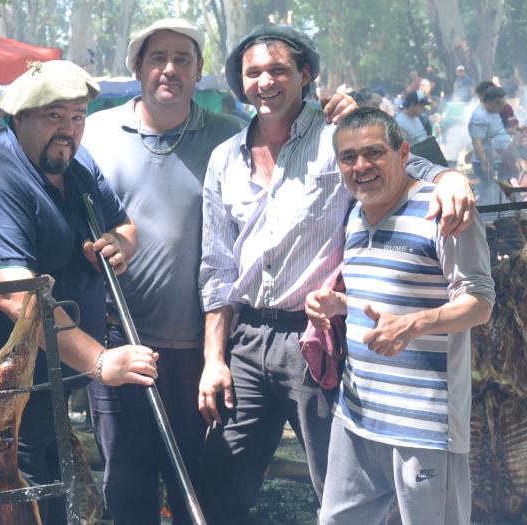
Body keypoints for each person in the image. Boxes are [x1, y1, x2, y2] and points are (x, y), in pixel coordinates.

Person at [197, 25, 474, 524]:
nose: (265, 82)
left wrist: (451, 176)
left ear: (305, 75)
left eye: (279, 70)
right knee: (220, 476)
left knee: (344, 487)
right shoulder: (224, 160)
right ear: (240, 83)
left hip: (318, 337)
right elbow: (216, 266)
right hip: (246, 338)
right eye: (253, 72)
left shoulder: (336, 140)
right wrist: (213, 358)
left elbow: (407, 165)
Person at [0, 60, 159, 525]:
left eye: (77, 116)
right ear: (20, 118)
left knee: (55, 503)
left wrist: (121, 243)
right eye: (54, 116)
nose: (69, 129)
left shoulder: (75, 163)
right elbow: (14, 296)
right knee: (13, 506)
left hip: (48, 380)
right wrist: (100, 361)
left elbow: (123, 225)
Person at [80, 18, 246, 524]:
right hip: (119, 341)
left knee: (201, 480)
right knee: (127, 482)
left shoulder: (230, 136)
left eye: (183, 59)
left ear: (199, 72)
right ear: (137, 68)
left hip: (203, 346)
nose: (169, 69)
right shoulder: (95, 132)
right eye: (158, 58)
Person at [308, 107, 494, 525]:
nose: (361, 166)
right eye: (349, 157)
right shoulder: (355, 215)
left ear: (404, 152)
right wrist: (337, 305)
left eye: (374, 152)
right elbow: (382, 298)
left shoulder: (444, 211)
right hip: (356, 415)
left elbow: (480, 302)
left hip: (424, 425)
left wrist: (414, 324)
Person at [468, 85, 511, 209]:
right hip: (487, 162)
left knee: (498, 193)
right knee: (488, 195)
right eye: (498, 103)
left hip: (498, 159)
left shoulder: (493, 111)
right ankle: (489, 222)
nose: (502, 106)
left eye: (503, 102)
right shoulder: (479, 117)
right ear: (487, 101)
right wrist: (486, 165)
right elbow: (477, 142)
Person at [396, 91, 447, 167]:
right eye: (422, 105)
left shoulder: (418, 117)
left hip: (427, 160)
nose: (424, 108)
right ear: (413, 104)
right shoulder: (399, 122)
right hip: (415, 166)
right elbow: (401, 150)